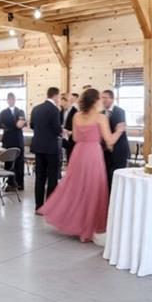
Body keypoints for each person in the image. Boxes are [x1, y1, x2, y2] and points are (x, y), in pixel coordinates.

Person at [39, 89, 116, 242]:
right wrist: (119, 131)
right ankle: (88, 226)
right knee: (93, 188)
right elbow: (110, 140)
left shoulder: (76, 116)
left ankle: (77, 223)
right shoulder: (101, 118)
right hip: (93, 154)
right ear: (95, 101)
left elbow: (74, 137)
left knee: (77, 187)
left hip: (79, 153)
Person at [29, 87, 63, 210]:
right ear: (55, 96)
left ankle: (38, 206)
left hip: (38, 147)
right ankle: (49, 206)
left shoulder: (36, 108)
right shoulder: (54, 109)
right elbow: (57, 129)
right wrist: (62, 131)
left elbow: (32, 125)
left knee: (40, 177)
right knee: (52, 177)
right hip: (51, 148)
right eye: (59, 97)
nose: (59, 99)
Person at [0, 92, 26, 191]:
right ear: (7, 101)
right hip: (8, 139)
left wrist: (20, 124)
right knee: (8, 161)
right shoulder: (3, 112)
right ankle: (10, 183)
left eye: (13, 99)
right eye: (9, 99)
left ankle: (20, 183)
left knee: (19, 162)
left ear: (15, 100)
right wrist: (6, 126)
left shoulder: (20, 111)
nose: (11, 101)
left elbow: (23, 123)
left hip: (18, 139)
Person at [100, 89, 129, 190]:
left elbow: (119, 129)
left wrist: (110, 143)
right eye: (102, 98)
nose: (103, 100)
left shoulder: (119, 111)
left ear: (112, 99)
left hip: (118, 148)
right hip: (105, 150)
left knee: (117, 174)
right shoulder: (101, 113)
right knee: (107, 175)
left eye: (105, 97)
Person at [62, 92, 79, 161]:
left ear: (70, 101)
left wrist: (71, 132)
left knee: (71, 159)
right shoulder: (61, 111)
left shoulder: (76, 112)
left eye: (65, 100)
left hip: (72, 141)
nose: (63, 103)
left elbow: (79, 127)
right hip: (63, 139)